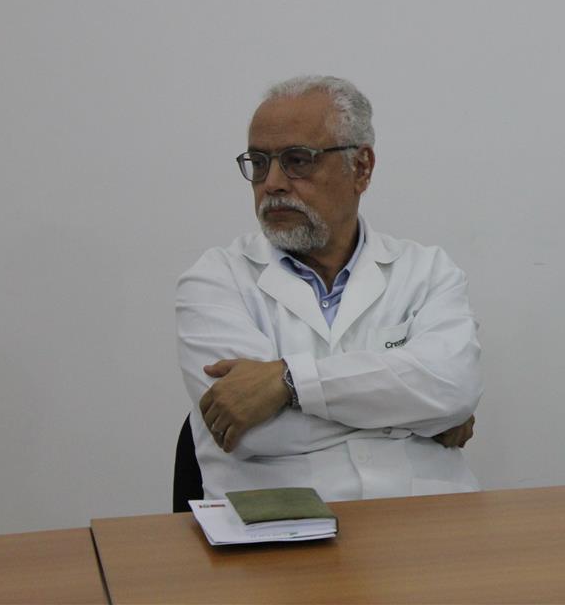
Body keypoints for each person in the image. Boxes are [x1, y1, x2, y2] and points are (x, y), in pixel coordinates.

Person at [177, 75, 481, 500]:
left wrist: (288, 382)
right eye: (259, 163)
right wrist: (421, 416)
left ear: (361, 168)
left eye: (297, 160)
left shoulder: (428, 271)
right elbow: (254, 432)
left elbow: (453, 388)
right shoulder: (215, 279)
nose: (272, 182)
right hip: (282, 526)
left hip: (426, 520)